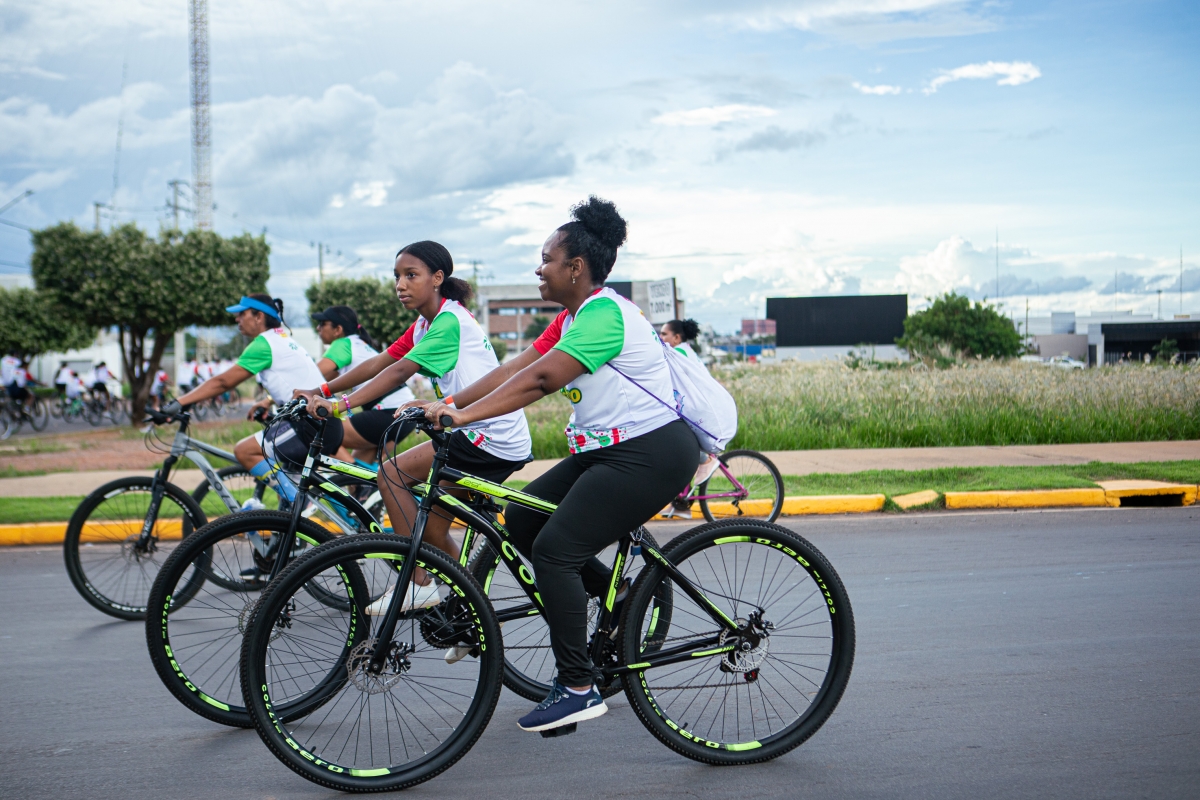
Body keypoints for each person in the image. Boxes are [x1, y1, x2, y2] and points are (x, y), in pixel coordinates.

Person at [411, 197, 701, 734]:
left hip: (651, 454)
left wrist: (464, 417)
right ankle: (620, 601)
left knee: (555, 552)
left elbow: (543, 380)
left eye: (546, 259)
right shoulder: (573, 318)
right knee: (522, 520)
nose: (538, 269)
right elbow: (517, 368)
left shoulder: (605, 314)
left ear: (576, 268)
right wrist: (447, 406)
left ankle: (577, 687)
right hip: (606, 452)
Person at [299, 241, 532, 614]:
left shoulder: (449, 321)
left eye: (411, 275)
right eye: (396, 276)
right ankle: (475, 611)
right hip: (474, 432)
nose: (400, 285)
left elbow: (399, 372)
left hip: (489, 436)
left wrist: (340, 406)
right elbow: (381, 361)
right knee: (434, 532)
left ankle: (417, 582)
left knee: (391, 473)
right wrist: (321, 391)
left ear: (437, 278)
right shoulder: (426, 323)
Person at [169, 294, 335, 510]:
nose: (237, 319)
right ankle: (295, 512)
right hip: (321, 420)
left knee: (245, 451)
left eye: (242, 314)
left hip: (310, 424)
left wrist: (178, 403)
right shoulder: (281, 339)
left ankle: (300, 502)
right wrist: (269, 402)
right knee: (285, 509)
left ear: (259, 317)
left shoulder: (265, 343)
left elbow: (223, 382)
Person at [311, 304, 416, 465]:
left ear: (338, 329)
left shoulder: (343, 344)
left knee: (320, 430)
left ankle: (349, 471)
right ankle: (354, 478)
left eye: (322, 324)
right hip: (404, 414)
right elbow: (325, 381)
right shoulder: (361, 344)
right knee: (362, 477)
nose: (318, 328)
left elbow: (312, 375)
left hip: (387, 414)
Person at [657, 318, 719, 518]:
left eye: (664, 334)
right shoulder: (685, 350)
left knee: (678, 443)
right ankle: (681, 504)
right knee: (679, 450)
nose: (660, 337)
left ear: (676, 338)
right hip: (697, 404)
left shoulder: (679, 353)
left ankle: (706, 459)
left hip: (698, 407)